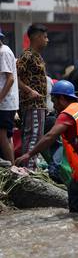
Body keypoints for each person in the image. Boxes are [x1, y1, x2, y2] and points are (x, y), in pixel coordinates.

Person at [15, 80, 78, 215]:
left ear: (62, 99)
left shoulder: (68, 113)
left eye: (54, 101)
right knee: (75, 196)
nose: (54, 105)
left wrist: (29, 154)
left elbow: (50, 136)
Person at [16, 24, 49, 170]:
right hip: (31, 103)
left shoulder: (38, 56)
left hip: (40, 104)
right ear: (37, 37)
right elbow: (14, 77)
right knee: (32, 136)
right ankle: (27, 170)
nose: (47, 40)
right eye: (45, 37)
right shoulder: (27, 55)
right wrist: (29, 91)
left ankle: (31, 168)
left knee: (37, 137)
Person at [0, 30, 18, 164]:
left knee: (2, 135)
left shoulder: (3, 52)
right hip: (6, 102)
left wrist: (0, 98)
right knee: (6, 135)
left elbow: (10, 79)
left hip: (5, 103)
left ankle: (11, 166)